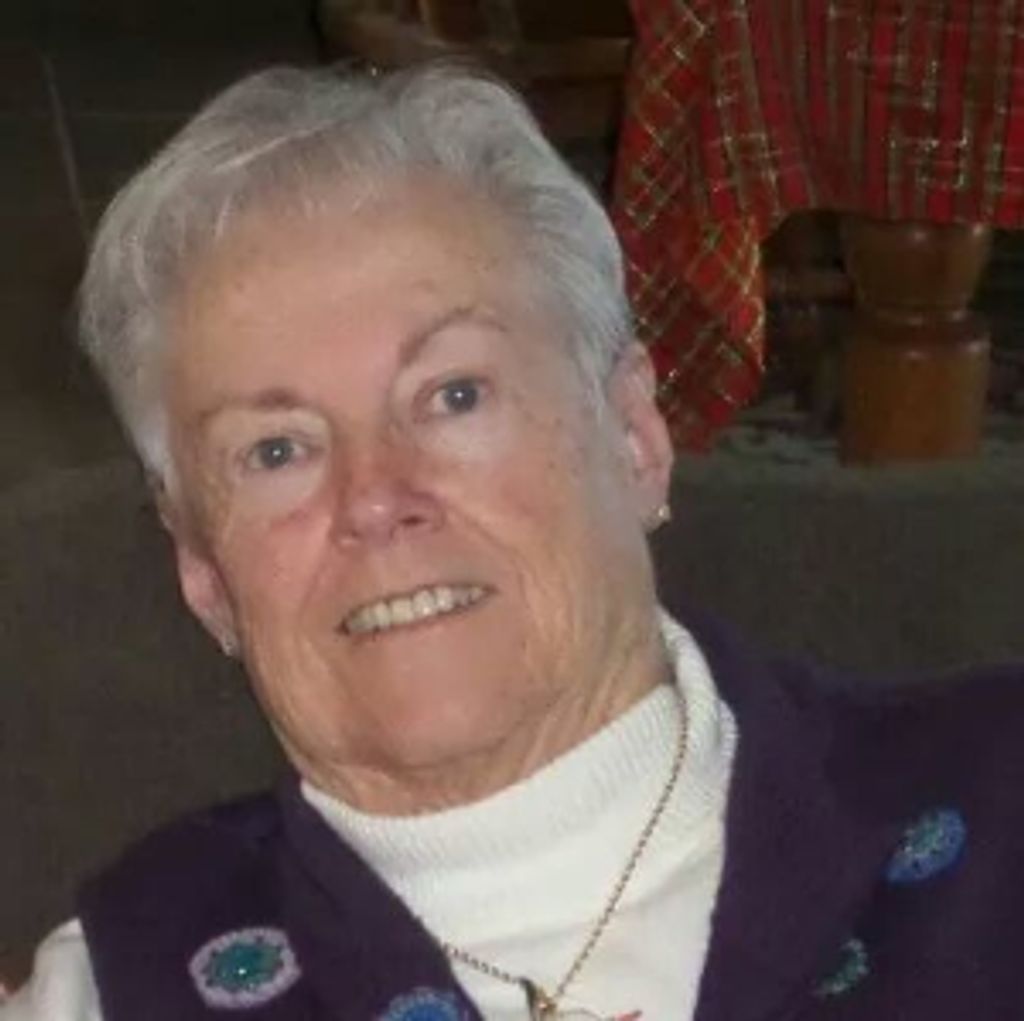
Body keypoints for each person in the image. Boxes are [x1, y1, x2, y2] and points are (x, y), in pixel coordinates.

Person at [3, 62, 1024, 1021]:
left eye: (453, 394)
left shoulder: (995, 800)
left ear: (633, 436)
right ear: (203, 574)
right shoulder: (120, 981)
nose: (376, 496)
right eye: (276, 451)